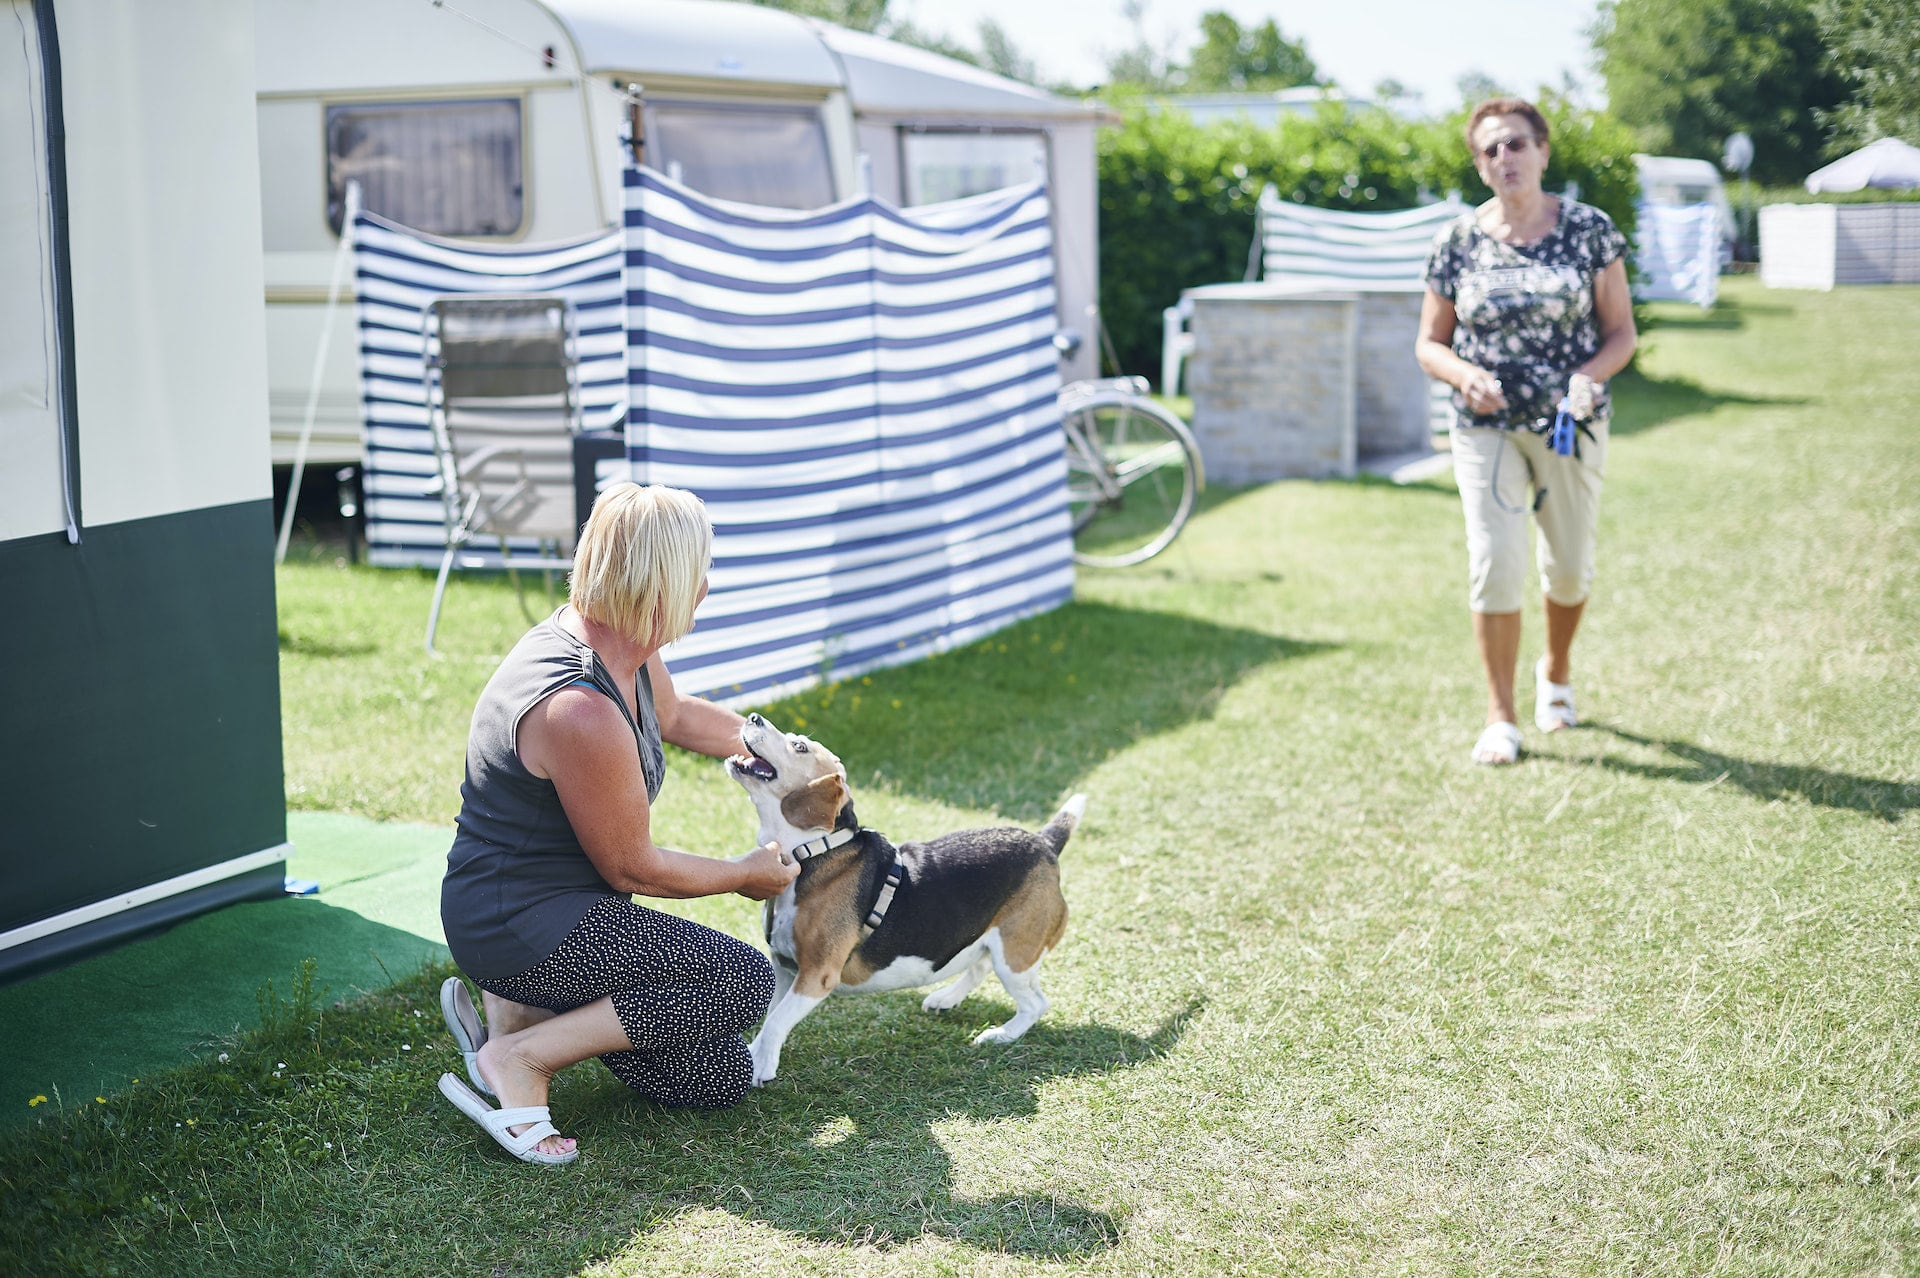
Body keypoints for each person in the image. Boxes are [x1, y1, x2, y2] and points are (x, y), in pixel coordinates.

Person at [437, 482, 798, 1164]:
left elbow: (679, 717)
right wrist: (745, 877)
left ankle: (519, 1015)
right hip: (518, 922)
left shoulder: (622, 640)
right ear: (660, 584)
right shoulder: (580, 706)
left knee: (719, 1076)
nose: (708, 586)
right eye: (699, 572)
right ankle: (521, 1055)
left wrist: (784, 752)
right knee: (740, 981)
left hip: (564, 913)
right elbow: (633, 867)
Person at [1416, 97, 1637, 766]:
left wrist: (1589, 377)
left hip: (1571, 425)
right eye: (1490, 150)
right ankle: (1500, 717)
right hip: (1487, 428)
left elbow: (1622, 332)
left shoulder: (1589, 230)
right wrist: (1462, 378)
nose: (1504, 158)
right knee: (1494, 564)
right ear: (1479, 166)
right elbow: (1429, 343)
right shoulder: (1456, 242)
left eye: (1516, 144)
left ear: (1543, 151)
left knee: (1568, 567)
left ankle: (1557, 671)